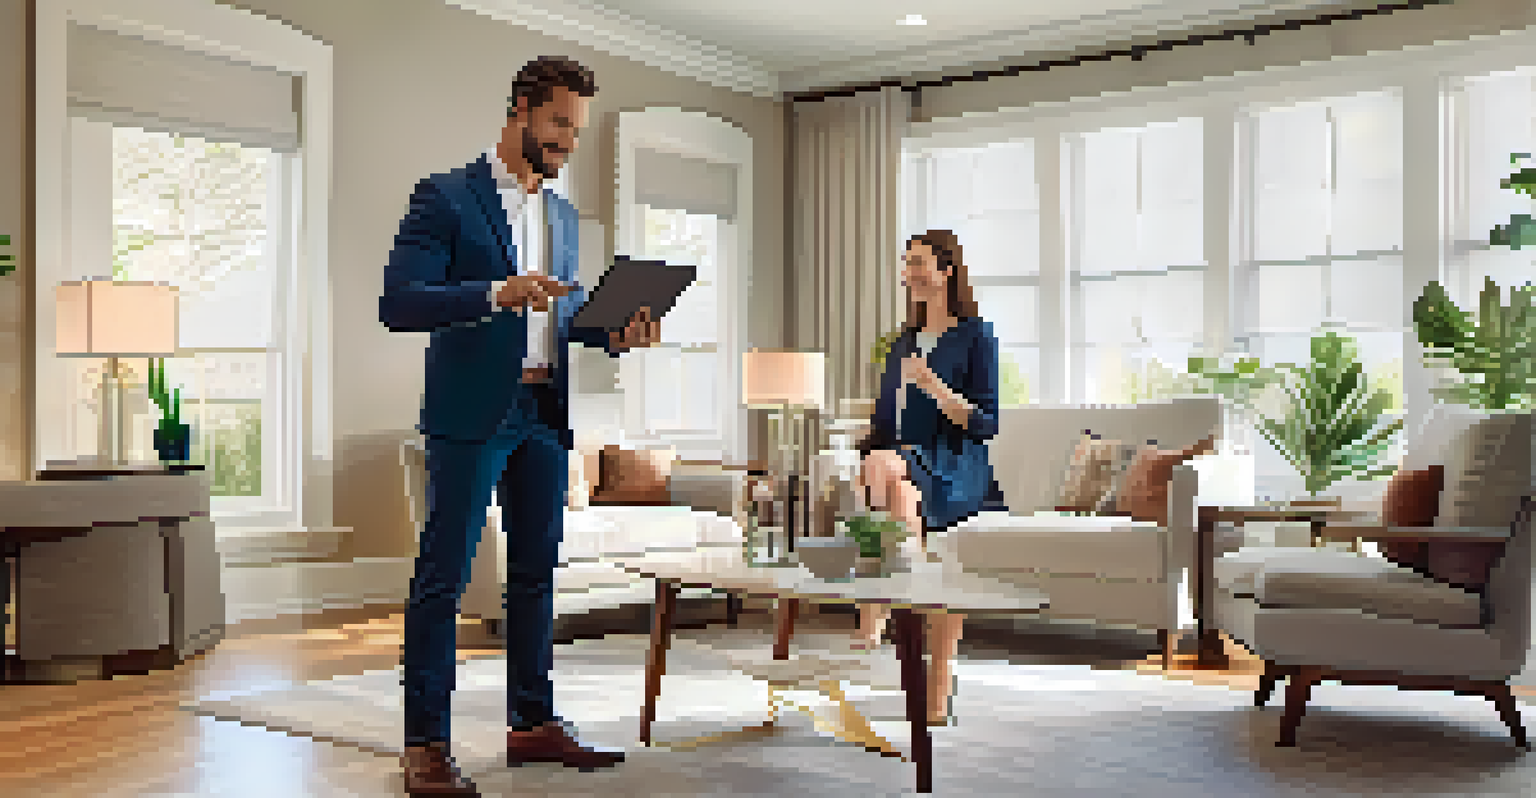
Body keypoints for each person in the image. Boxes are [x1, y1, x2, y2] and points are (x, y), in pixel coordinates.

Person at [380, 56, 662, 796]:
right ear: (520, 111)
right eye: (559, 123)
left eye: (578, 128)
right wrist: (494, 292)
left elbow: (559, 318)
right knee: (442, 578)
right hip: (473, 414)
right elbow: (400, 303)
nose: (569, 141)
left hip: (544, 412)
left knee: (535, 578)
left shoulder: (562, 216)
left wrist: (613, 333)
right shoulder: (445, 196)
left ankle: (532, 722)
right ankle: (425, 745)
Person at [853, 229, 1007, 727]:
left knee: (883, 470)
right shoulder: (902, 343)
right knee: (888, 482)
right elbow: (883, 419)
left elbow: (986, 424)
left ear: (946, 271)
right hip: (907, 462)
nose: (911, 273)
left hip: (958, 463)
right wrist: (863, 440)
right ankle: (906, 601)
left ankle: (877, 610)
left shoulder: (976, 335)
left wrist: (935, 387)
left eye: (919, 263)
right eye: (907, 264)